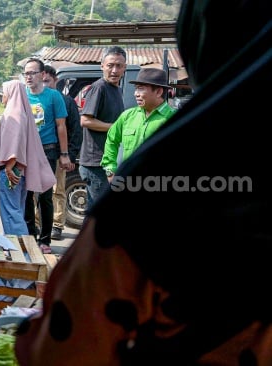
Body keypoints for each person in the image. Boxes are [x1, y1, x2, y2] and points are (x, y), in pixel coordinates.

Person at [15, 0, 272, 364]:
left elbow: (59, 348)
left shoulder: (150, 192)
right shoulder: (138, 129)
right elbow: (112, 142)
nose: (136, 90)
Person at [21, 58, 72, 252]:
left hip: (47, 150)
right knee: (26, 196)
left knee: (45, 196)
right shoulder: (22, 95)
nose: (28, 77)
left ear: (42, 75)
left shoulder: (53, 96)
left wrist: (64, 154)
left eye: (32, 73)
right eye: (26, 73)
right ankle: (29, 237)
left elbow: (61, 126)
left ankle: (45, 240)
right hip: (25, 150)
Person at [0, 80, 55, 235]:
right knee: (17, 212)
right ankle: (22, 251)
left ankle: (20, 252)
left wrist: (8, 165)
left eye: (5, 92)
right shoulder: (23, 113)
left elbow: (14, 141)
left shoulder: (13, 114)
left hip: (12, 169)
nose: (3, 97)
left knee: (11, 215)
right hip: (20, 170)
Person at [101, 68, 176, 178]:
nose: (136, 94)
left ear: (159, 92)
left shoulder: (173, 118)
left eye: (141, 89)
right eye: (136, 89)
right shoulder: (127, 116)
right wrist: (110, 170)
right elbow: (111, 140)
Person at [78, 46, 127, 210]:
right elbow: (85, 121)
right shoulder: (99, 88)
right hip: (95, 163)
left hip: (108, 161)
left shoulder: (117, 90)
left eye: (119, 66)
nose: (114, 70)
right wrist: (115, 127)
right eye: (110, 65)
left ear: (124, 67)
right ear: (102, 66)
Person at [43, 65, 82, 241]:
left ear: (55, 81)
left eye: (47, 81)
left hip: (60, 154)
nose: (44, 85)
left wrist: (69, 155)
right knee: (38, 191)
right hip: (40, 154)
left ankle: (57, 225)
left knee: (57, 190)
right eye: (41, 81)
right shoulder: (36, 100)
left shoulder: (66, 101)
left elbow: (75, 130)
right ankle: (39, 222)